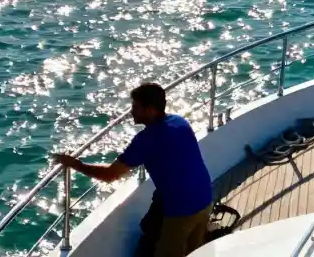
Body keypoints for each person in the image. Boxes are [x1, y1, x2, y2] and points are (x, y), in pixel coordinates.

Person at [54, 84, 213, 257]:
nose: (131, 111)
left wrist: (74, 164)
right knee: (195, 250)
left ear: (151, 110)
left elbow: (110, 175)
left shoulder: (147, 139)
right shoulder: (179, 122)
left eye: (136, 106)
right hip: (205, 197)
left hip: (182, 210)